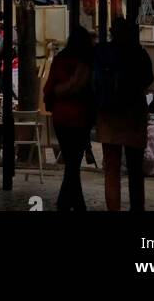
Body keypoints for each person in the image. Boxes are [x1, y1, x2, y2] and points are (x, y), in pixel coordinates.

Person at [93, 18, 154, 211]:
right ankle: (137, 207)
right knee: (135, 169)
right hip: (133, 114)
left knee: (111, 170)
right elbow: (148, 79)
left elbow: (94, 80)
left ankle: (114, 208)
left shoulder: (102, 52)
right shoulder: (138, 53)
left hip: (108, 114)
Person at [44, 27, 96, 211]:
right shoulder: (88, 63)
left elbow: (48, 89)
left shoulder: (59, 60)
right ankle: (70, 204)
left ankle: (68, 203)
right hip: (81, 118)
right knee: (73, 163)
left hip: (61, 117)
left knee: (71, 163)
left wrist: (52, 104)